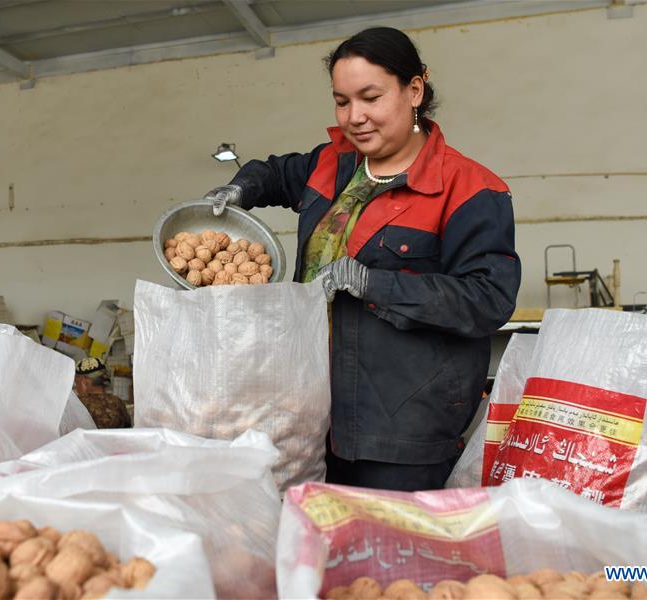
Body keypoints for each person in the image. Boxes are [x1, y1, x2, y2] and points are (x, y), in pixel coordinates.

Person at [203, 27, 520, 491]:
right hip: (310, 415)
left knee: (389, 537)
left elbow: (488, 298)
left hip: (400, 429)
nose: (355, 117)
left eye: (371, 98)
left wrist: (373, 284)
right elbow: (276, 172)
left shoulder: (468, 188)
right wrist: (241, 189)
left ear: (414, 90)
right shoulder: (334, 163)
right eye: (342, 101)